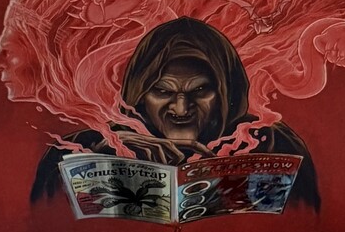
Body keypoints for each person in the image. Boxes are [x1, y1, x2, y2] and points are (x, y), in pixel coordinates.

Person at [31, 17, 319, 209]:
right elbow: (45, 221)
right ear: (139, 96)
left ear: (226, 93)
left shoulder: (271, 145)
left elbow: (306, 223)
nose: (181, 109)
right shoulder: (85, 148)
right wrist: (100, 160)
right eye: (162, 91)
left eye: (200, 90)